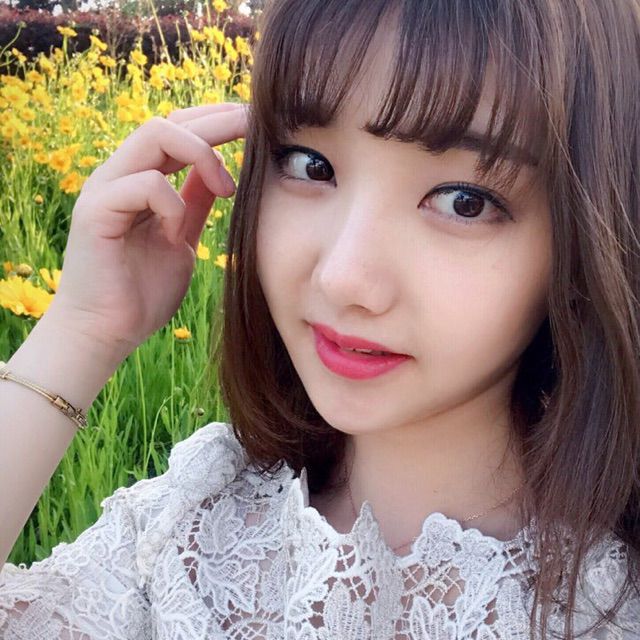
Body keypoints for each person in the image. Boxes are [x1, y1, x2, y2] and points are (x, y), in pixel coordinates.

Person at [1, 0, 639, 637]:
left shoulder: (609, 607)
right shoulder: (188, 532)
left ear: (591, 240)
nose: (342, 277)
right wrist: (83, 329)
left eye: (463, 202)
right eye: (312, 164)